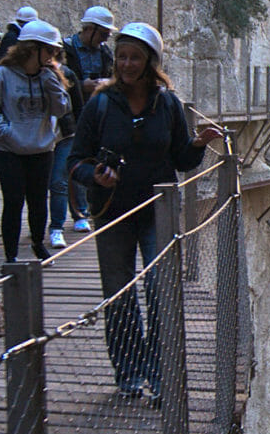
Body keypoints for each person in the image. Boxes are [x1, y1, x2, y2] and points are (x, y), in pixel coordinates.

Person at [68, 23, 222, 399]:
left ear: (150, 61)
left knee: (159, 290)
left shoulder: (165, 103)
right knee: (119, 295)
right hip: (113, 211)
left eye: (135, 57)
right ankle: (129, 373)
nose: (127, 64)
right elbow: (74, 162)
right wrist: (96, 176)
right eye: (121, 56)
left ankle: (158, 372)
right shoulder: (100, 104)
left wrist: (199, 142)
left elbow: (181, 158)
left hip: (158, 210)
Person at [0, 19, 68, 263]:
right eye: (49, 50)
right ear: (33, 48)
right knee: (13, 202)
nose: (53, 56)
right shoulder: (3, 75)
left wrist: (54, 85)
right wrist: (8, 133)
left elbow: (61, 111)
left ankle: (38, 244)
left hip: (41, 149)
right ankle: (11, 254)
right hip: (10, 151)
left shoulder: (48, 76)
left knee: (39, 201)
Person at [60, 7, 116, 233]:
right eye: (103, 34)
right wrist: (80, 86)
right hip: (71, 112)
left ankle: (92, 207)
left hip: (96, 113)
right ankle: (78, 211)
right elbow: (58, 76)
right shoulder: (66, 49)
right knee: (74, 160)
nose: (105, 39)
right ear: (90, 29)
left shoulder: (105, 52)